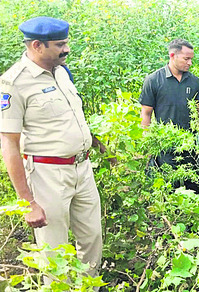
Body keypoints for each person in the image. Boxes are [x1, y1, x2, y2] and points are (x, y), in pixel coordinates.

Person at [0, 16, 102, 278]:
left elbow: (72, 117)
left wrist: (98, 146)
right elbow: (9, 144)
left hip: (82, 168)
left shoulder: (61, 71)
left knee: (92, 240)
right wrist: (28, 202)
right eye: (60, 44)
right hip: (48, 175)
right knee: (54, 251)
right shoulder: (13, 83)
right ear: (37, 45)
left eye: (66, 43)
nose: (66, 49)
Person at [139, 39, 199, 193]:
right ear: (172, 55)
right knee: (168, 190)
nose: (190, 63)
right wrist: (148, 142)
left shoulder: (194, 82)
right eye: (186, 59)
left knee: (193, 189)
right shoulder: (154, 80)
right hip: (165, 146)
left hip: (192, 146)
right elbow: (146, 114)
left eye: (191, 59)